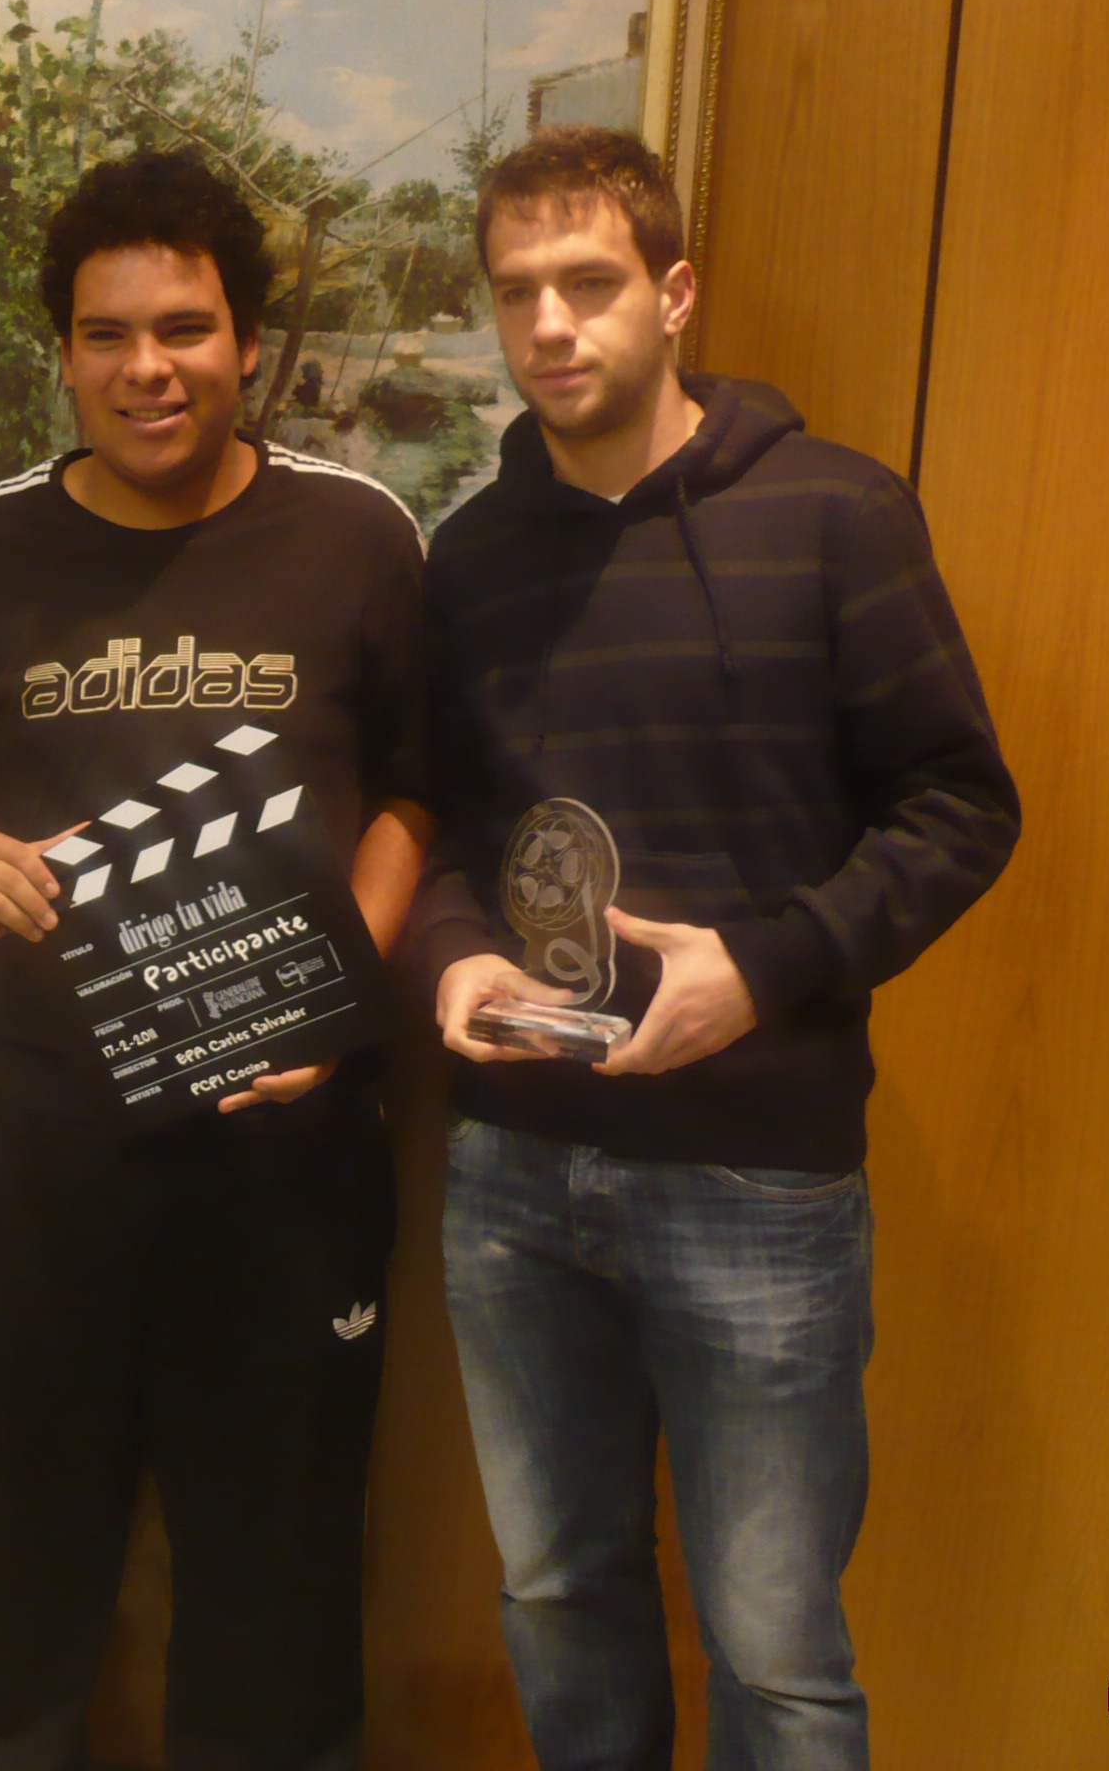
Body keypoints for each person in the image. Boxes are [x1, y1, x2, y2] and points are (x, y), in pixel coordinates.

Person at [411, 124, 1021, 1770]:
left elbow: (962, 808)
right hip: (514, 1171)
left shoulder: (835, 516)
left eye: (590, 283)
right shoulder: (470, 560)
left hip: (756, 1180)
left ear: (674, 293)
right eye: (517, 291)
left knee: (777, 1651)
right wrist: (454, 959)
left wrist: (763, 968)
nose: (551, 324)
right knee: (557, 1594)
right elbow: (442, 826)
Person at [0, 148, 431, 1770]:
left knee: (279, 1557)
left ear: (248, 343)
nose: (151, 368)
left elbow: (415, 796)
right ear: (61, 355)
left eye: (186, 328)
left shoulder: (360, 535)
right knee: (4, 1546)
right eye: (109, 334)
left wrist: (340, 993)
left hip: (284, 1139)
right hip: (29, 1139)